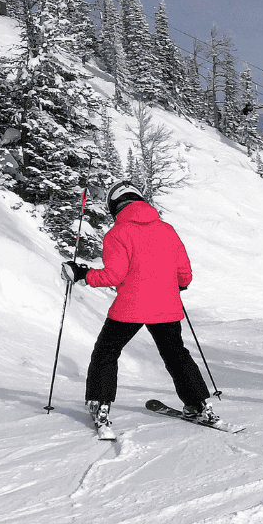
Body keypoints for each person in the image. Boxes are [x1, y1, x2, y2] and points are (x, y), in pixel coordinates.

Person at [60, 180, 219, 435]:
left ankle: (100, 405)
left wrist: (83, 274)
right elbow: (185, 275)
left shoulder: (117, 234)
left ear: (114, 206)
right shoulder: (168, 230)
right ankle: (199, 405)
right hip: (166, 306)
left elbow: (113, 276)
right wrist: (176, 285)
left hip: (130, 306)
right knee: (176, 354)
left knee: (107, 352)